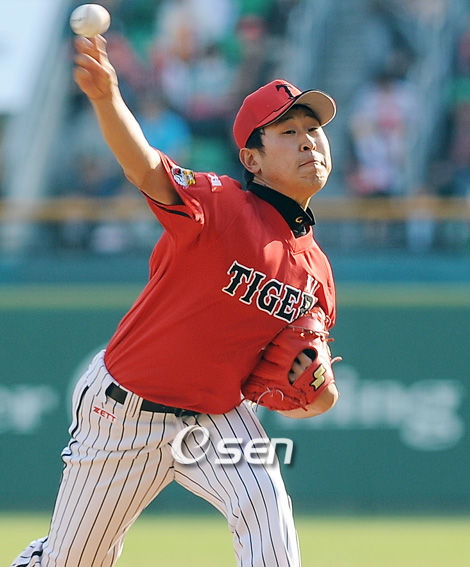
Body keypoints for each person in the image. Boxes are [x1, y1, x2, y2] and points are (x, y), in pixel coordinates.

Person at [11, 35, 339, 567]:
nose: (308, 142)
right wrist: (107, 99)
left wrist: (319, 393)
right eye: (289, 131)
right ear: (251, 159)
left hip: (215, 417)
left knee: (265, 507)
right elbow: (145, 168)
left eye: (314, 129)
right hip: (123, 413)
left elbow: (310, 386)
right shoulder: (221, 205)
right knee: (72, 561)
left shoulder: (317, 274)